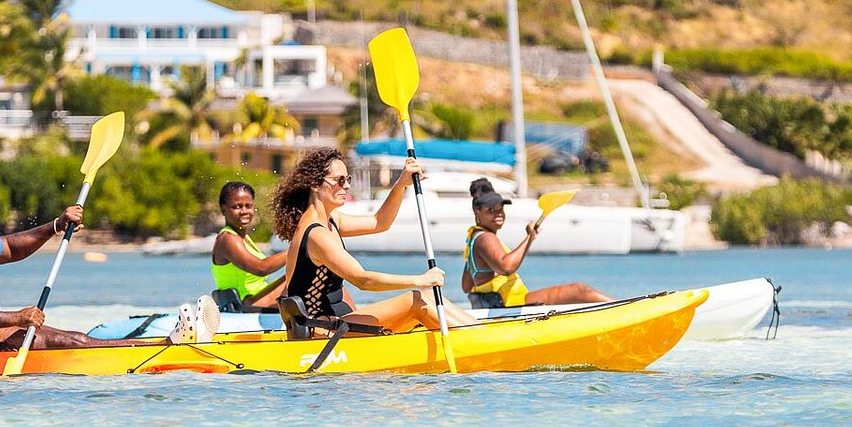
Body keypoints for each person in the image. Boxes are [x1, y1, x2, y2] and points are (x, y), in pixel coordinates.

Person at [0, 159, 217, 349]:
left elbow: (9, 247)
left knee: (73, 338)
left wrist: (55, 226)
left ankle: (165, 342)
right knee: (73, 341)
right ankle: (166, 346)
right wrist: (14, 318)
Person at [272, 148, 478, 334]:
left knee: (430, 298)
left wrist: (401, 184)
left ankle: (478, 333)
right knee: (415, 300)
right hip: (322, 333)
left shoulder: (330, 221)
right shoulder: (317, 235)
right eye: (340, 180)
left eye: (348, 179)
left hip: (335, 324)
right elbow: (363, 280)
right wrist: (420, 279)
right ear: (315, 184)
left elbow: (380, 222)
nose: (347, 186)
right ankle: (479, 342)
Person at [461, 177, 612, 306]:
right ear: (477, 211)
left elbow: (467, 286)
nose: (498, 213)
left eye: (500, 208)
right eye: (490, 210)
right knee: (580, 290)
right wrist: (529, 237)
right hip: (511, 304)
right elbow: (506, 267)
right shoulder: (486, 238)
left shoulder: (474, 239)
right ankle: (630, 312)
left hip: (506, 303)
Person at [210, 180, 287, 309]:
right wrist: (296, 250)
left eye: (248, 206)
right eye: (237, 207)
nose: (244, 211)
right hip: (247, 305)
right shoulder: (228, 239)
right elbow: (261, 268)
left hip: (255, 300)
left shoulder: (243, 238)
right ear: (223, 209)